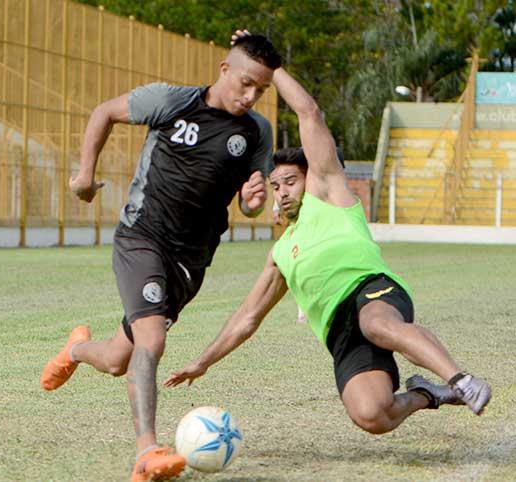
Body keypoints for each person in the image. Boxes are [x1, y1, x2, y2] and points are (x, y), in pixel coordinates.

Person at [164, 44, 492, 437]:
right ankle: (428, 393)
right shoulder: (280, 254)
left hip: (372, 291)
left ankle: (460, 379)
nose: (283, 191)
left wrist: (271, 66)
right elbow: (246, 319)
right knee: (372, 415)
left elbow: (309, 113)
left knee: (376, 324)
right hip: (340, 330)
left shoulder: (331, 196)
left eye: (290, 181)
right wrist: (203, 362)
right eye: (275, 186)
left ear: (310, 179)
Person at [40, 33, 282, 481]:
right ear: (224, 70)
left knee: (119, 359)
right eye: (246, 83)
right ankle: (147, 453)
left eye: (261, 90)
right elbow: (104, 112)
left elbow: (250, 204)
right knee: (151, 342)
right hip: (143, 237)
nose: (251, 96)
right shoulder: (171, 101)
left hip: (191, 262)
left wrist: (252, 202)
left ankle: (75, 349)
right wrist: (85, 176)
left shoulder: (256, 132)